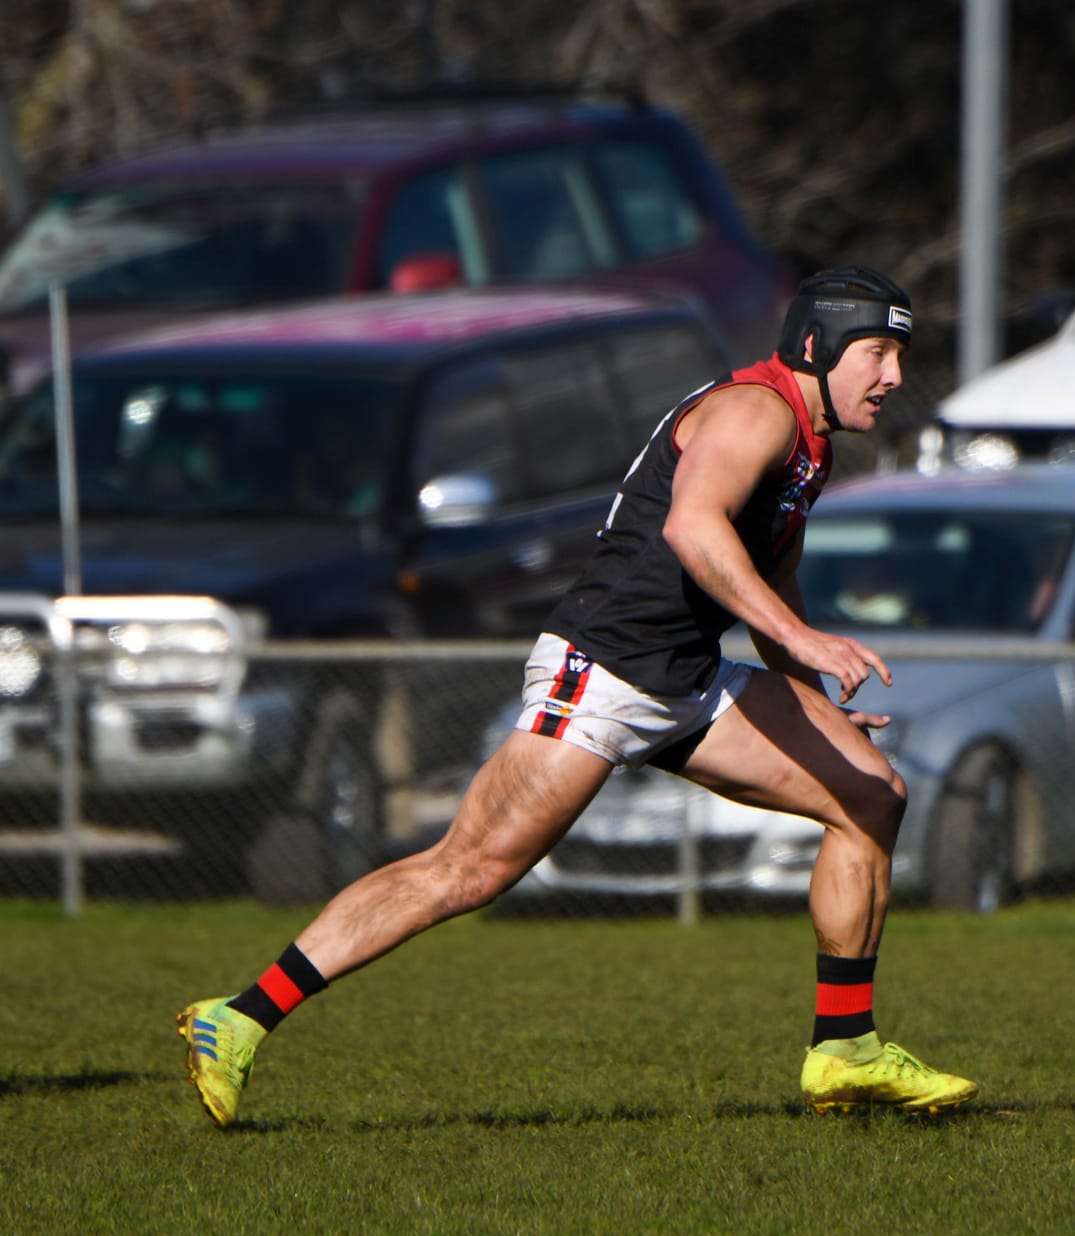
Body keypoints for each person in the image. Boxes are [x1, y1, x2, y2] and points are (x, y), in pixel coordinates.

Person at [176, 266, 977, 1125]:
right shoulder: (757, 411)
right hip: (605, 671)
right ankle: (239, 1016)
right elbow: (692, 527)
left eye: (900, 355)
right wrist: (806, 641)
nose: (893, 375)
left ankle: (845, 1049)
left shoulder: (809, 446)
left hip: (686, 677)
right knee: (468, 870)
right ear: (815, 346)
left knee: (869, 793)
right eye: (877, 352)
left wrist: (812, 699)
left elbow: (774, 580)